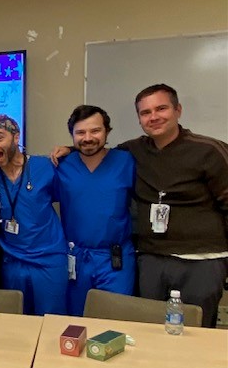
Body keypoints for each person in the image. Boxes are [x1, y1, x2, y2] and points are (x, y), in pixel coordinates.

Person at [52, 85, 228, 327]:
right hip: (151, 257)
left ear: (178, 110)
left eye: (161, 108)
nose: (153, 117)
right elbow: (91, 150)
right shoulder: (134, 151)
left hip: (199, 259)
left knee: (193, 329)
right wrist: (71, 149)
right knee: (147, 326)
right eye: (146, 112)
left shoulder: (207, 150)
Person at [55, 105, 135, 316]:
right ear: (72, 135)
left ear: (107, 131)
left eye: (95, 131)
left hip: (115, 260)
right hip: (76, 258)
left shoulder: (126, 161)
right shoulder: (61, 166)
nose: (88, 138)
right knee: (76, 321)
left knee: (116, 321)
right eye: (80, 132)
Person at [0, 114, 68, 315]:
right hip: (12, 262)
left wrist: (70, 149)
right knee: (18, 325)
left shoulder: (45, 167)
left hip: (48, 261)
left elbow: (67, 200)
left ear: (16, 137)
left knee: (51, 323)